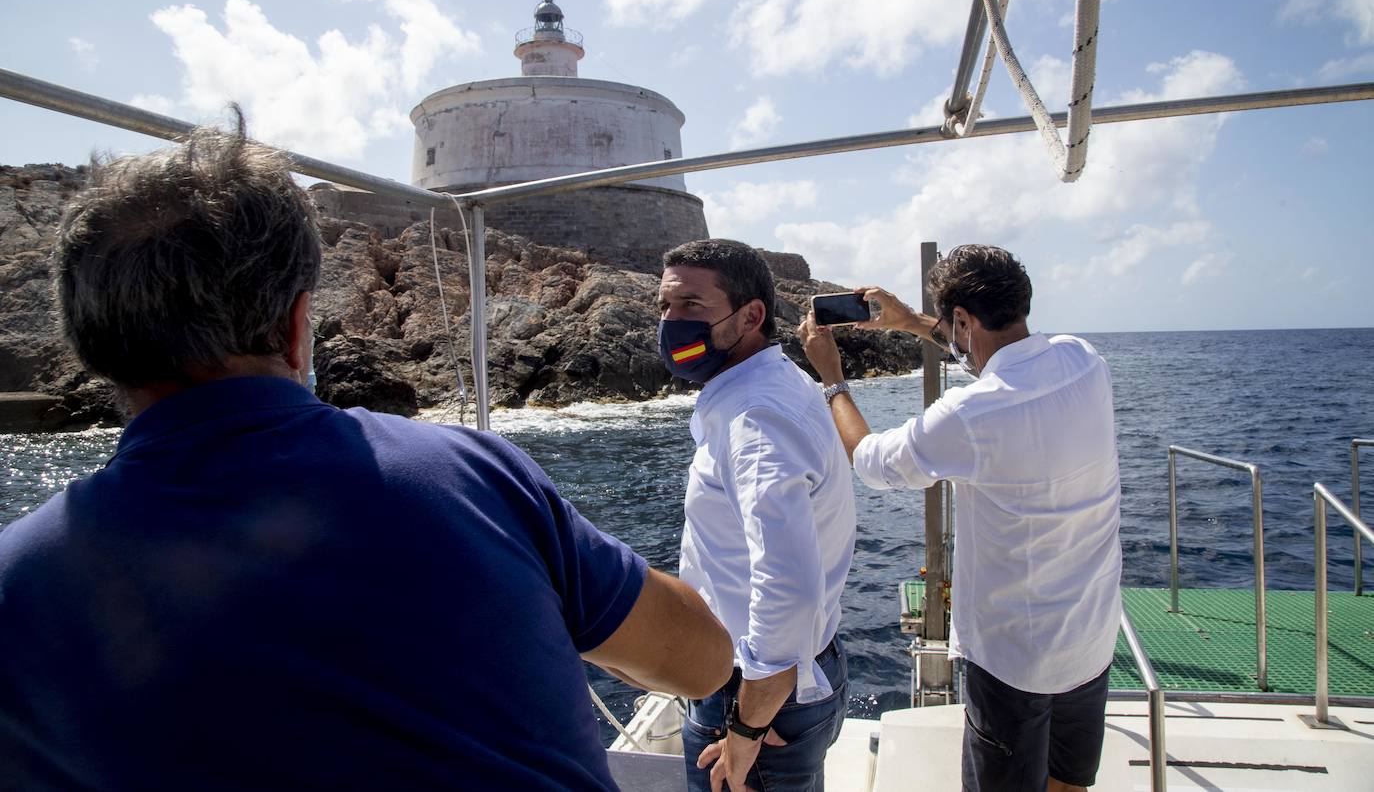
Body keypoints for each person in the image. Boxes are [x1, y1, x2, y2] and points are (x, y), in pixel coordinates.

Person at [0, 115, 733, 791]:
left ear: (92, 344)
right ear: (296, 327)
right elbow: (701, 662)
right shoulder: (475, 476)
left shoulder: (18, 583)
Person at [798, 245, 1123, 792]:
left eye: (954, 324)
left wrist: (832, 381)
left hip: (1013, 657)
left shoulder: (972, 414)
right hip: (1090, 635)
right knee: (1069, 782)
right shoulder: (1082, 358)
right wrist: (909, 323)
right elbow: (989, 353)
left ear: (966, 321)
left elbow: (872, 461)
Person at [657, 239, 856, 792]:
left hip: (756, 697)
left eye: (692, 306)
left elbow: (788, 587)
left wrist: (747, 727)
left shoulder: (755, 417)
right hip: (785, 680)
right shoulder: (772, 387)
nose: (672, 323)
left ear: (750, 316)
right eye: (665, 307)